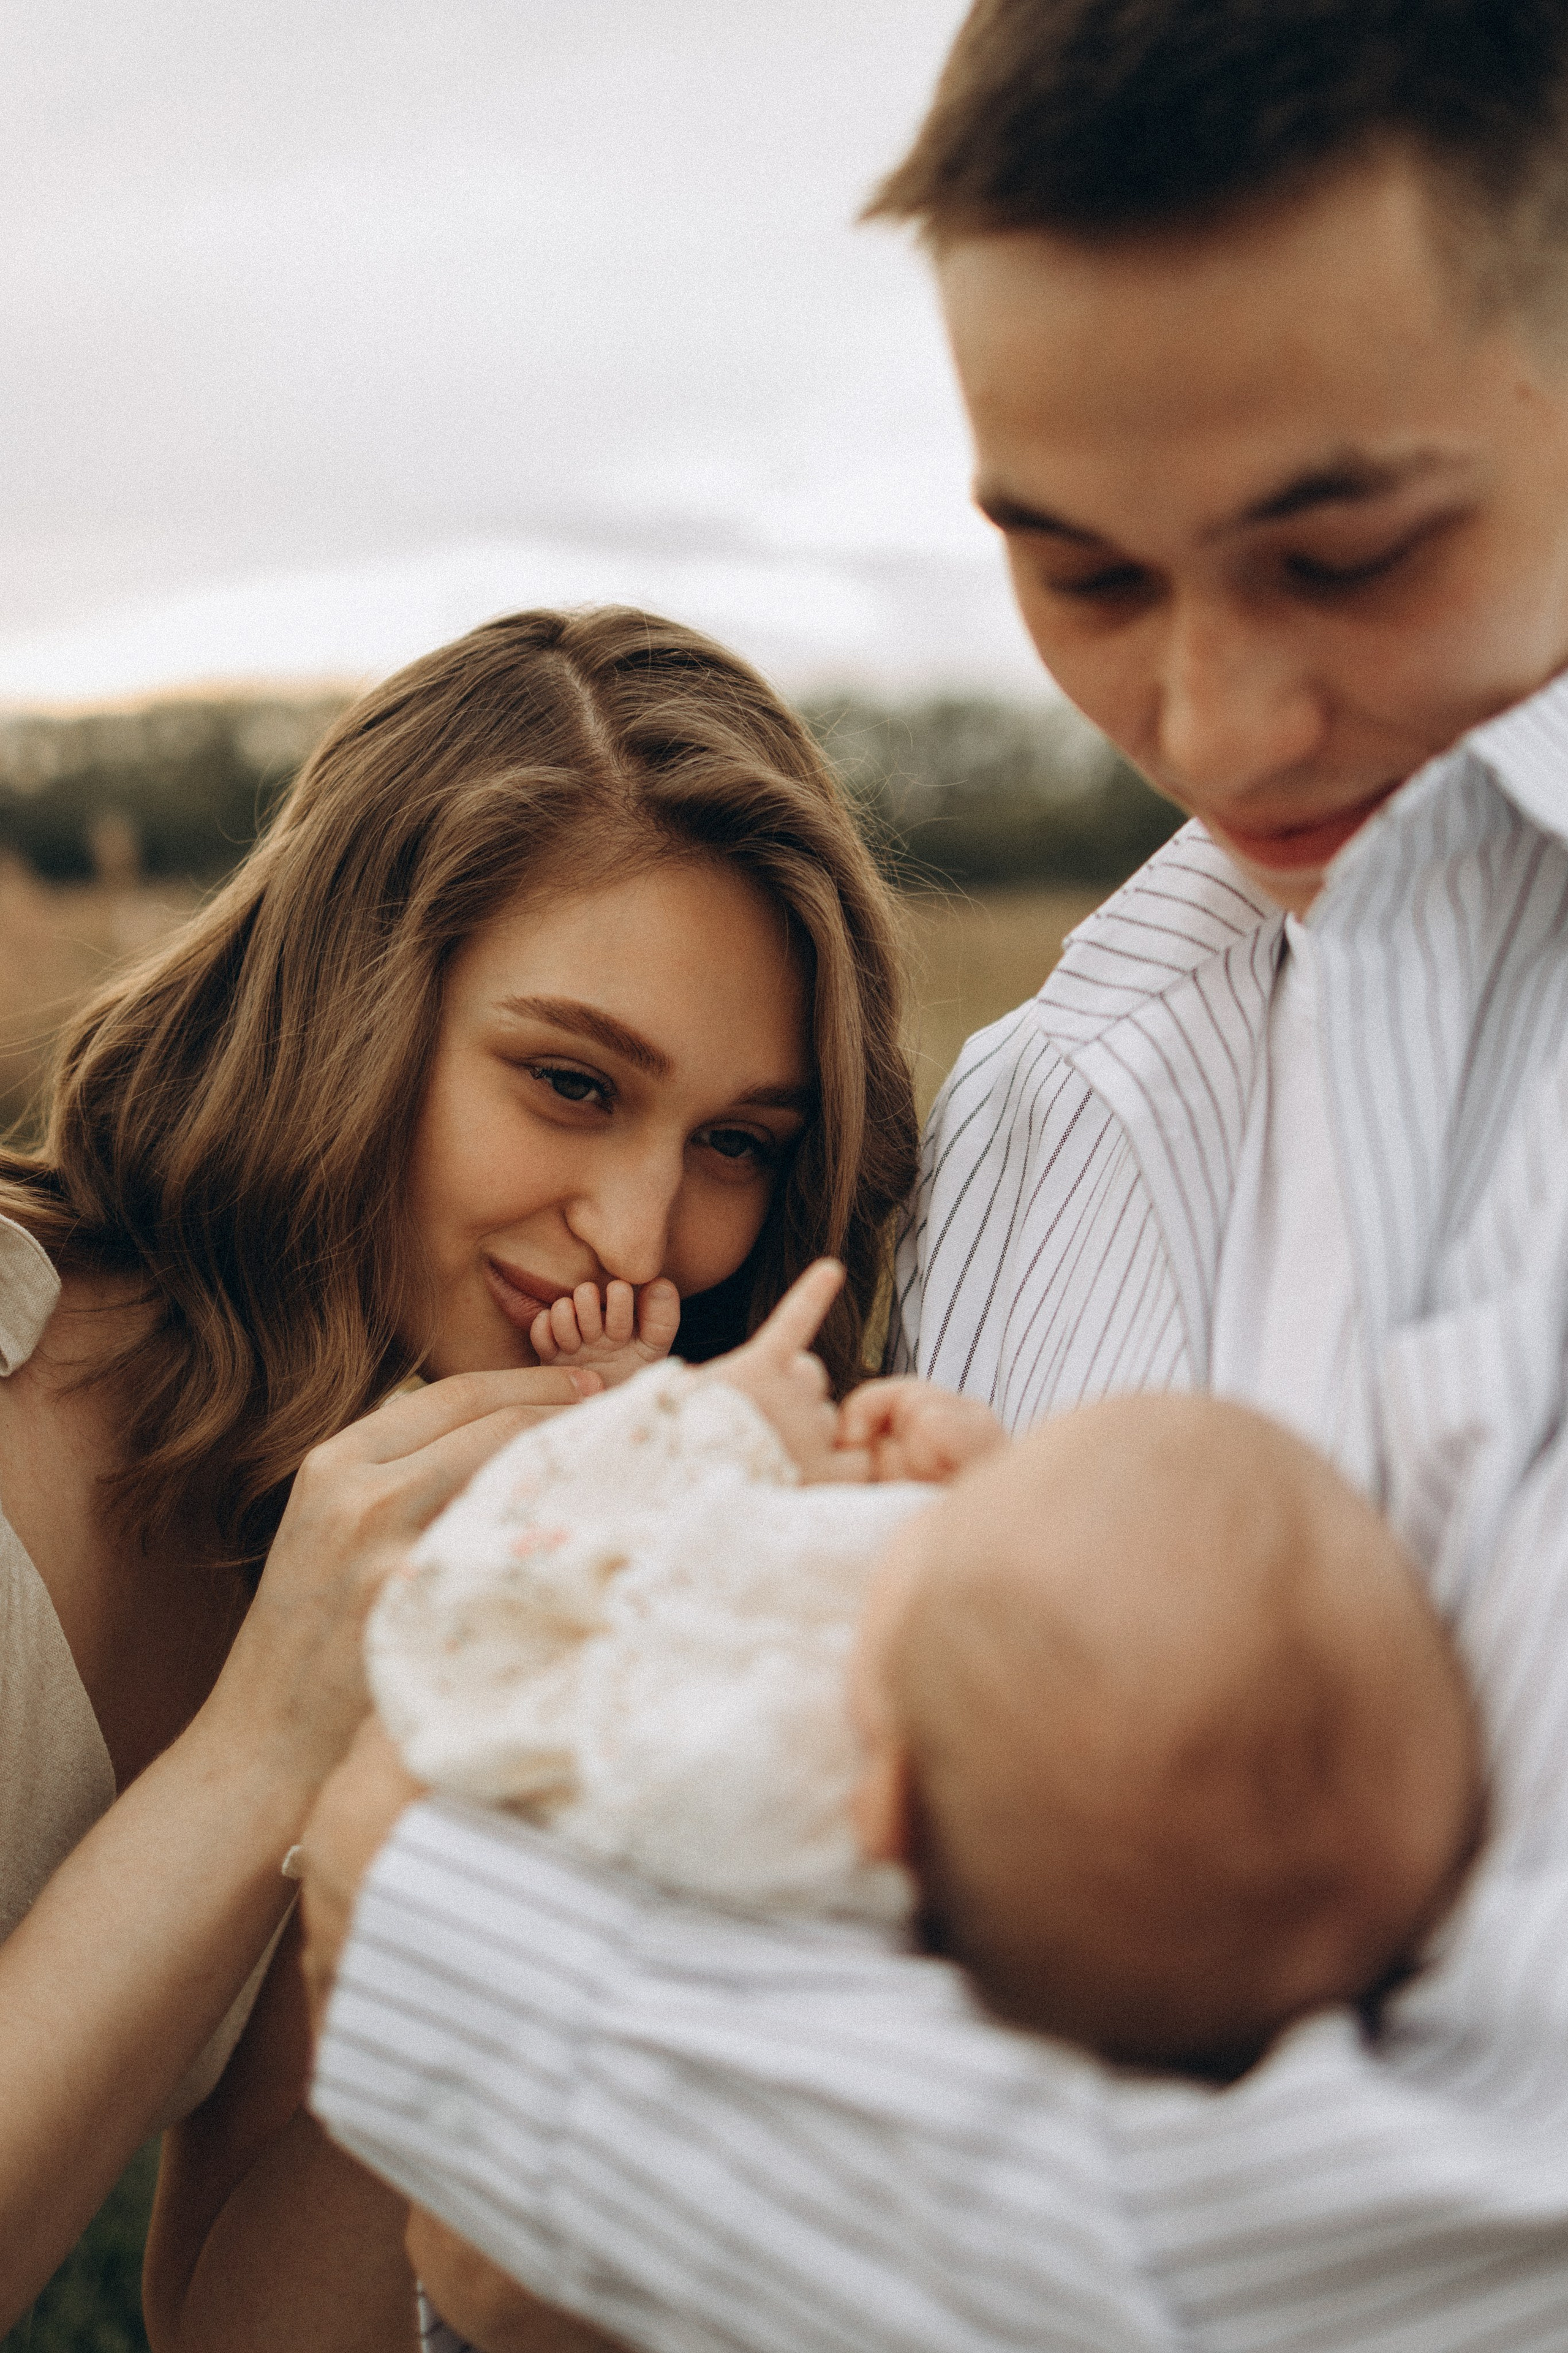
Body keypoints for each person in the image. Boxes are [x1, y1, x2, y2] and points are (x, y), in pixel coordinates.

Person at [299, 2, 1568, 2348]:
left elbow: (1489, 2245)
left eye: (1350, 553)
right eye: (1082, 576)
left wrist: (474, 1976)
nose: (1211, 724)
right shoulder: (1063, 1083)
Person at [0, 603, 914, 2346]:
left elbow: (250, 2318)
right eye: (571, 1081)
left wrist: (539, 1741)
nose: (647, 1228)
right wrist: (264, 1743)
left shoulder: (380, 1516)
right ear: (357, 1011)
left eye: (735, 1145)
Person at [370, 1260, 1480, 2078]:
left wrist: (706, 1425)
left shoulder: (744, 1771)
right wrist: (974, 1495)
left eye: (953, 1538)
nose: (914, 1528)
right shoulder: (1060, 1857)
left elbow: (468, 1627)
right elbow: (1044, 1663)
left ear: (881, 1806)